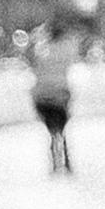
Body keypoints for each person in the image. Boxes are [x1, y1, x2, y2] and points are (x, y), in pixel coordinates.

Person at [28, 19, 81, 174]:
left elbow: (32, 61)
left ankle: (54, 164)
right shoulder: (66, 49)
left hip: (43, 95)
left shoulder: (41, 49)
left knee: (51, 133)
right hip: (61, 95)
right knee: (62, 132)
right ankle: (67, 163)